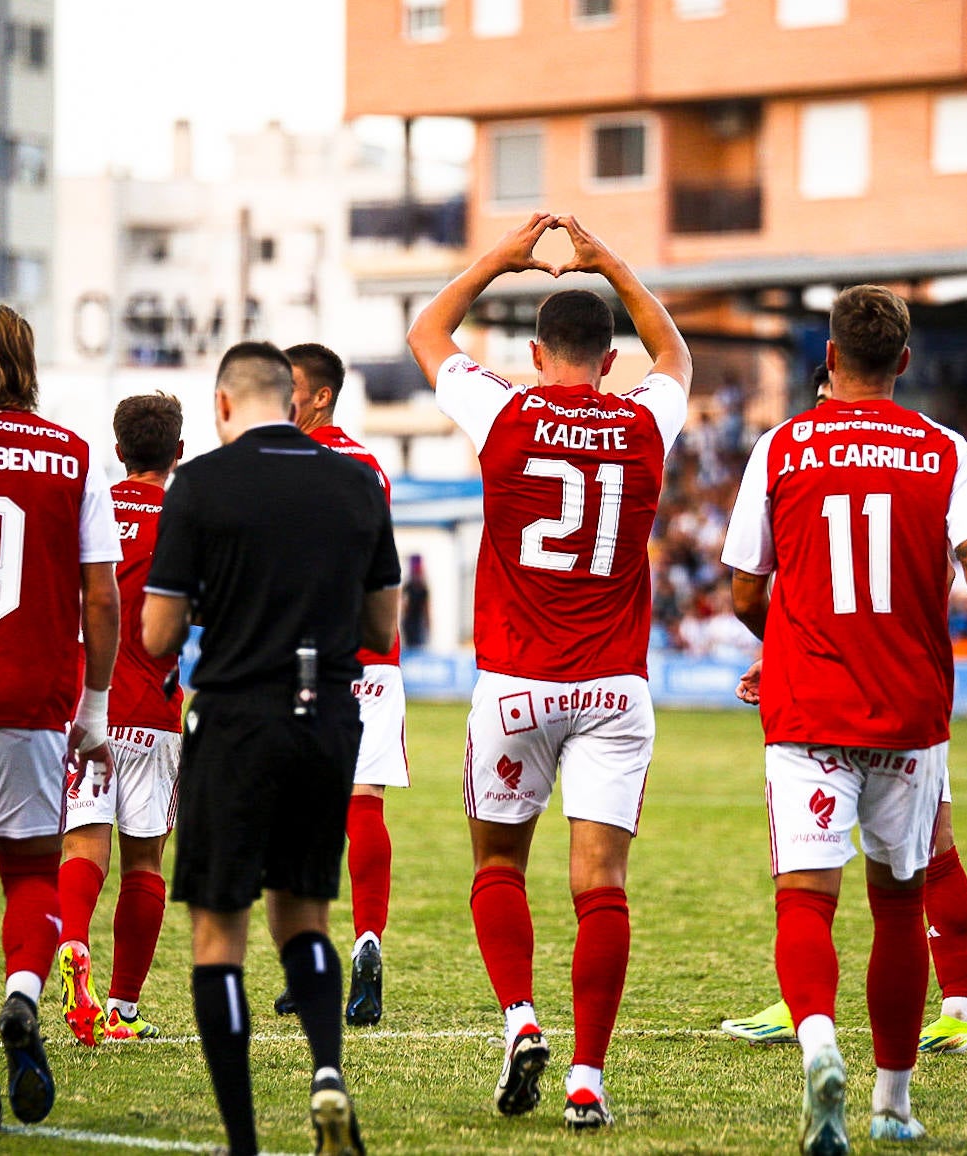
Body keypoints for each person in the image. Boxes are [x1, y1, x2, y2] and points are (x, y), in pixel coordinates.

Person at [721, 285, 967, 1154]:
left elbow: (746, 588)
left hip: (808, 705)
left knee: (805, 903)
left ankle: (819, 1044)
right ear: (903, 360)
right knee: (898, 910)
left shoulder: (780, 448)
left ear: (826, 358)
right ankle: (892, 1103)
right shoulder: (945, 450)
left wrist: (789, 641)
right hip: (909, 713)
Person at [407, 212, 691, 1130]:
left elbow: (425, 331)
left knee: (498, 863)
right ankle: (587, 1077)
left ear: (536, 353)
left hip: (516, 685)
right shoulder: (647, 418)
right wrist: (608, 259)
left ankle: (520, 1017)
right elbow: (676, 353)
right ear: (612, 361)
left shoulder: (505, 407)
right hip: (616, 689)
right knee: (601, 884)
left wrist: (502, 256)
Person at [141, 342, 400, 1156]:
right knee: (304, 919)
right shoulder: (358, 481)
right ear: (292, 399)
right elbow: (384, 627)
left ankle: (245, 1139)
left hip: (236, 717)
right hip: (325, 717)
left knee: (220, 936)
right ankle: (327, 1073)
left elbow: (157, 632)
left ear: (223, 404)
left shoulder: (202, 485)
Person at [722, 362, 967, 1056]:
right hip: (902, 683)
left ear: (837, 376)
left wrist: (800, 650)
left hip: (862, 685)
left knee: (863, 865)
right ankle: (944, 1014)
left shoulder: (800, 449)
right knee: (922, 851)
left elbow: (757, 589)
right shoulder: (925, 453)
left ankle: (831, 1010)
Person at [0, 303, 121, 1126]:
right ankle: (24, 991)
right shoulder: (72, 455)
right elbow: (100, 595)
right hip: (30, 692)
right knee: (31, 872)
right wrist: (95, 705)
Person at [270, 341, 408, 1028]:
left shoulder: (285, 464)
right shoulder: (371, 467)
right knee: (365, 802)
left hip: (307, 655)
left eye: (286, 386)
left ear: (319, 396)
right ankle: (367, 941)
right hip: (374, 655)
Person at [57, 393, 185, 1047]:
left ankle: (73, 944)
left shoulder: (90, 502)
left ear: (117, 450)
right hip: (156, 711)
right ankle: (122, 1010)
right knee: (144, 862)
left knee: (83, 845)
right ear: (178, 453)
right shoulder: (185, 516)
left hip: (89, 703)